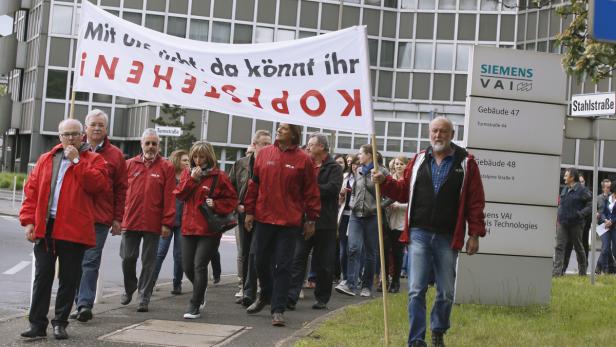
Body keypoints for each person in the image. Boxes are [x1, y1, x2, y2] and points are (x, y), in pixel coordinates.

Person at [372, 116, 486, 347]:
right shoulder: (418, 160)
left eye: (443, 131)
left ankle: (438, 329)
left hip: (447, 236)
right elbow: (404, 192)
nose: (438, 135)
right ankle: (415, 340)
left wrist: (474, 234)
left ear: (452, 135)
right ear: (429, 134)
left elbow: (475, 201)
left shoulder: (466, 163)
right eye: (434, 131)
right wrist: (384, 181)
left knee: (446, 293)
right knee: (416, 290)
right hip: (419, 234)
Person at [19, 119, 108, 340]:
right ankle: (37, 324)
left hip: (73, 228)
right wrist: (29, 221)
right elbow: (31, 191)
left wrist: (77, 161)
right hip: (46, 227)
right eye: (66, 134)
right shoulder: (46, 159)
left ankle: (60, 322)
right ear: (59, 136)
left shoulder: (94, 160)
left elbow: (97, 185)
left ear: (82, 137)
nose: (70, 138)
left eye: (74, 134)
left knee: (69, 278)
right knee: (42, 277)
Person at [244, 123, 320, 327]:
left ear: (294, 134)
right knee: (259, 260)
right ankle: (265, 294)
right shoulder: (264, 154)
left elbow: (311, 192)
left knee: (284, 265)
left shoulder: (304, 159)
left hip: (289, 222)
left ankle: (278, 309)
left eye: (284, 128)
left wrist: (311, 219)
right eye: (279, 127)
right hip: (264, 218)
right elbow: (254, 185)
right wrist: (249, 211)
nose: (279, 129)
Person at [70, 110, 128, 323]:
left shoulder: (115, 156)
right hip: (74, 215)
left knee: (90, 261)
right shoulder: (73, 149)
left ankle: (84, 304)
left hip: (100, 218)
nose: (96, 128)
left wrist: (117, 218)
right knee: (73, 262)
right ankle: (75, 301)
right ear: (85, 127)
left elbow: (122, 189)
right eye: (93, 124)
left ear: (106, 129)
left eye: (101, 125)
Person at [174, 141, 238, 319]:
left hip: (209, 229)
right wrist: (193, 180)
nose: (198, 160)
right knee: (187, 266)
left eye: (201, 156)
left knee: (199, 265)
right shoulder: (188, 173)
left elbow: (232, 200)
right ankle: (200, 291)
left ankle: (194, 304)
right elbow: (180, 194)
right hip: (188, 227)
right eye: (195, 156)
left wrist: (216, 204)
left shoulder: (219, 176)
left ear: (209, 157)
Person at [121, 128, 176, 312]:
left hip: (153, 221)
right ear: (141, 144)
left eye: (154, 143)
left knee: (149, 261)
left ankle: (144, 296)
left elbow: (170, 196)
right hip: (130, 219)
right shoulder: (129, 164)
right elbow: (120, 192)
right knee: (128, 257)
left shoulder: (166, 167)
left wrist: (167, 222)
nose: (151, 147)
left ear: (158, 145)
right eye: (148, 143)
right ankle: (130, 287)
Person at [287, 133, 343, 310]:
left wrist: (310, 189)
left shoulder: (334, 168)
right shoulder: (306, 164)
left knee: (324, 263)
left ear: (321, 147)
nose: (308, 147)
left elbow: (332, 189)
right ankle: (291, 296)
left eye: (311, 144)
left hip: (325, 222)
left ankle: (322, 298)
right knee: (298, 258)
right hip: (304, 220)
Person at [335, 144, 390, 298]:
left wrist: (379, 206)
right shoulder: (358, 170)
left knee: (371, 252)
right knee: (352, 248)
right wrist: (352, 202)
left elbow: (392, 194)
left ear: (369, 155)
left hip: (372, 216)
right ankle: (351, 284)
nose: (358, 157)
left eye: (360, 154)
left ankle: (366, 286)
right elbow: (356, 190)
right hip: (355, 215)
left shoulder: (382, 171)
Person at [229, 130, 272, 306]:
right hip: (243, 214)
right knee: (245, 253)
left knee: (259, 253)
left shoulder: (272, 164)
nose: (268, 147)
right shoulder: (241, 164)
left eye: (270, 143)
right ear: (254, 145)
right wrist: (236, 205)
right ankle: (247, 290)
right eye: (264, 143)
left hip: (264, 216)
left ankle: (259, 289)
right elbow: (229, 188)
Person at [151, 150, 190, 294]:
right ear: (176, 160)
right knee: (160, 253)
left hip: (183, 222)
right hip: (167, 220)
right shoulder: (168, 176)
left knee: (179, 255)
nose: (187, 162)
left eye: (188, 160)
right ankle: (151, 282)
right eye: (184, 160)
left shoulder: (190, 176)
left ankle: (177, 283)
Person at [553, 167, 592, 277]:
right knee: (559, 247)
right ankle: (556, 273)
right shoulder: (565, 188)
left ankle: (582, 273)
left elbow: (590, 205)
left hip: (576, 224)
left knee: (579, 248)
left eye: (566, 175)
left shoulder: (582, 190)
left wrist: (580, 214)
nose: (564, 177)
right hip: (562, 223)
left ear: (572, 177)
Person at [382, 156, 408, 293]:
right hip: (387, 221)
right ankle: (384, 279)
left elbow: (413, 202)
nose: (398, 166)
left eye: (401, 164)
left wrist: (400, 205)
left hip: (401, 223)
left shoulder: (409, 181)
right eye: (397, 164)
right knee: (385, 252)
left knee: (397, 253)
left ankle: (396, 280)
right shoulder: (391, 180)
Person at [337, 155, 358, 286]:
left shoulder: (365, 178)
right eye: (353, 164)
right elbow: (338, 200)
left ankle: (353, 278)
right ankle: (344, 276)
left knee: (354, 249)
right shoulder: (345, 177)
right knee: (343, 249)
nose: (355, 166)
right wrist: (341, 194)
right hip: (344, 215)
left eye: (358, 164)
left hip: (357, 216)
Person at [596, 179, 615, 273]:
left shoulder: (612, 197)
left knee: (607, 248)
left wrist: (610, 221)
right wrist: (596, 214)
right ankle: (604, 268)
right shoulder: (598, 198)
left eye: (610, 187)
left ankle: (604, 268)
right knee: (606, 247)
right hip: (601, 226)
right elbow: (593, 209)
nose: (609, 189)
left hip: (611, 225)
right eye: (607, 187)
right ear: (603, 188)